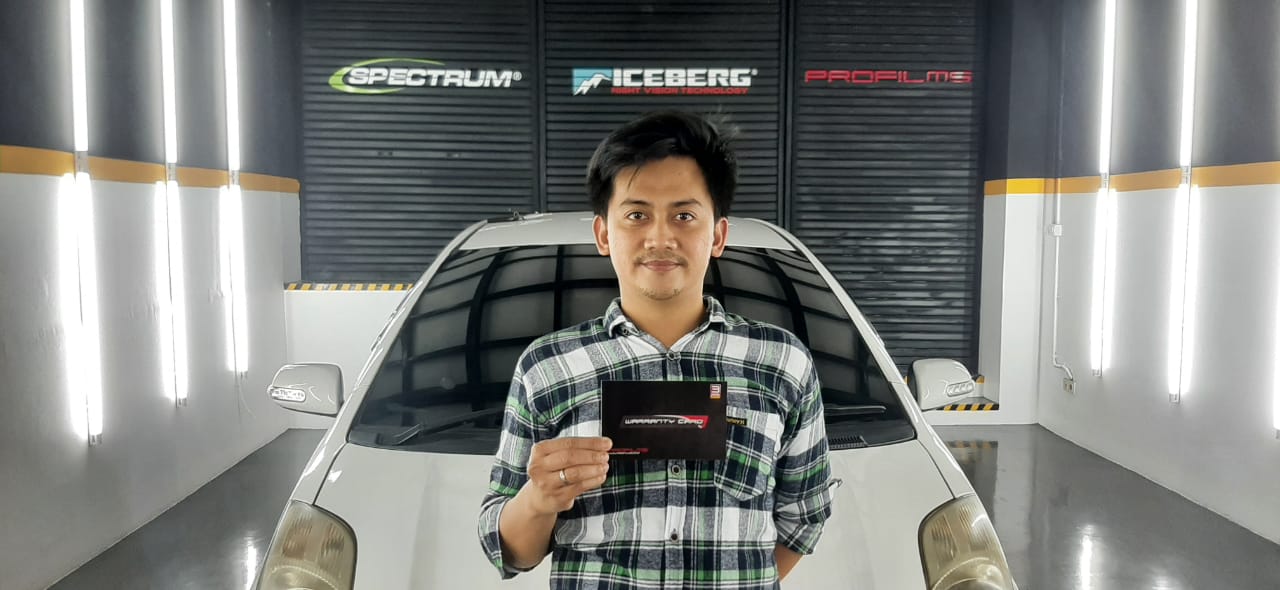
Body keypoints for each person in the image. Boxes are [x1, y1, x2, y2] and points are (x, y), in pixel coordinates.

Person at [477, 110, 833, 589]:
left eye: (684, 216)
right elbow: (510, 551)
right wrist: (539, 500)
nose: (661, 238)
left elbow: (804, 515)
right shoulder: (547, 367)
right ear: (604, 234)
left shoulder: (782, 362)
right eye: (637, 215)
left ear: (718, 235)